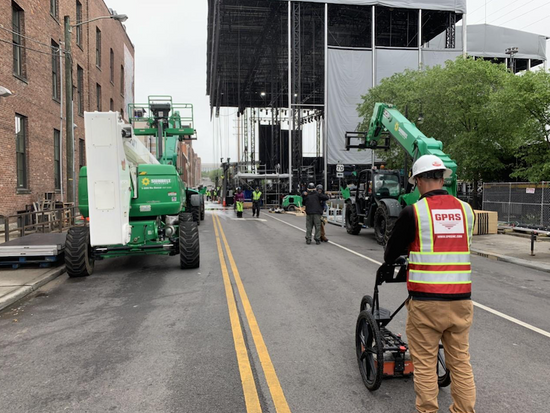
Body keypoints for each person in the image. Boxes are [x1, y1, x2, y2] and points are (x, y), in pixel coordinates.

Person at [384, 155, 475, 413]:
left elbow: (390, 254)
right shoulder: (466, 211)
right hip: (461, 301)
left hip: (426, 303)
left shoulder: (414, 212)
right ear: (441, 178)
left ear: (420, 180)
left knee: (424, 365)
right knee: (460, 363)